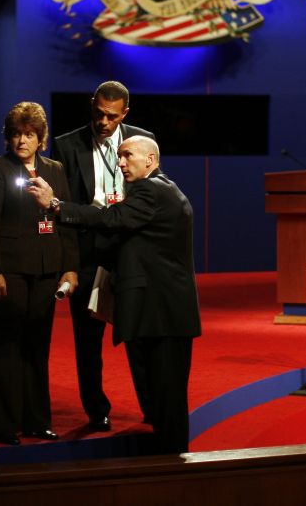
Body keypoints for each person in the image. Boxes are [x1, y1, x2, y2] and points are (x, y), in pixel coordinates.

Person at [29, 136, 201, 454]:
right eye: (119, 156)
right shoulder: (166, 188)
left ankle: (172, 467)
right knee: (165, 395)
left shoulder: (151, 189)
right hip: (166, 311)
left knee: (167, 396)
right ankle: (169, 461)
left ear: (151, 159)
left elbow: (111, 219)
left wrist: (56, 205)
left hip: (161, 312)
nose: (120, 163)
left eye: (127, 156)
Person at [50, 81, 156, 431]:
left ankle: (151, 407)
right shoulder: (66, 145)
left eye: (112, 116)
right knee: (87, 342)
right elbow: (64, 210)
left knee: (138, 336)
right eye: (98, 113)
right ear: (91, 105)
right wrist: (68, 266)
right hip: (87, 251)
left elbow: (152, 200)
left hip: (130, 251)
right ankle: (97, 411)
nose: (104, 122)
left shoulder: (142, 142)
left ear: (125, 113)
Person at [0, 102, 78, 446]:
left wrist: (70, 267)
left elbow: (65, 222)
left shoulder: (56, 170)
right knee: (6, 347)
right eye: (17, 134)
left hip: (47, 272)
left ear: (41, 138)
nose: (22, 141)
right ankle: (4, 425)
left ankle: (36, 421)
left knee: (37, 348)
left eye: (29, 134)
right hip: (8, 273)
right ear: (8, 138)